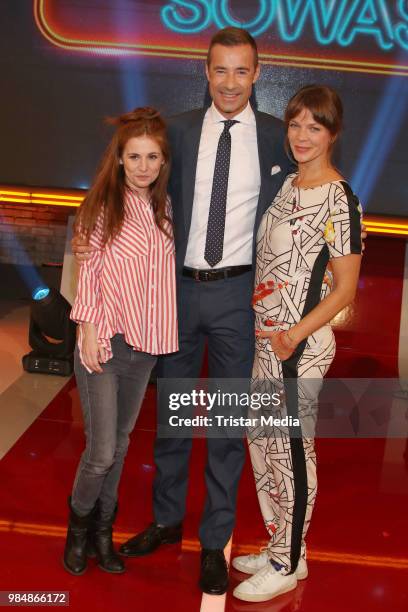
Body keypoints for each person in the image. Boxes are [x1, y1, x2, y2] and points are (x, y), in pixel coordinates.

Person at [72, 29, 366, 595]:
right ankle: (165, 520)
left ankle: (215, 539)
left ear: (257, 74)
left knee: (230, 423)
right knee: (176, 418)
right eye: (219, 71)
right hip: (176, 294)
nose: (230, 83)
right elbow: (129, 193)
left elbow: (315, 202)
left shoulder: (283, 139)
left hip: (239, 299)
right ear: (205, 72)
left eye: (241, 72)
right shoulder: (176, 132)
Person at [231, 85, 362, 602]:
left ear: (333, 133)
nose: (302, 136)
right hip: (266, 341)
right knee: (262, 445)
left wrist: (294, 335)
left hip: (298, 347)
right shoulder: (286, 185)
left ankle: (287, 560)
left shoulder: (339, 198)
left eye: (315, 126)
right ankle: (284, 545)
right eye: (295, 124)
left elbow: (346, 288)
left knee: (291, 451)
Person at [64, 107, 178, 576]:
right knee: (101, 452)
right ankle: (77, 529)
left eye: (152, 157)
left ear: (162, 162)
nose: (144, 166)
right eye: (135, 156)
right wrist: (87, 328)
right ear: (119, 159)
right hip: (104, 341)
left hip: (145, 345)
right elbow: (89, 274)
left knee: (123, 444)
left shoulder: (165, 209)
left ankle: (102, 533)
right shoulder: (100, 207)